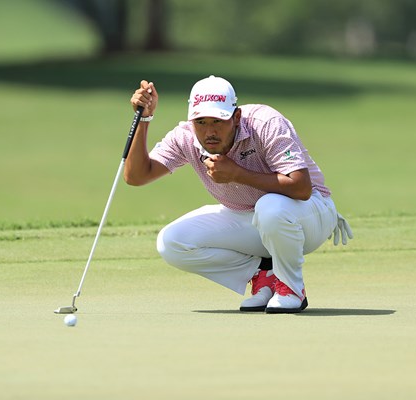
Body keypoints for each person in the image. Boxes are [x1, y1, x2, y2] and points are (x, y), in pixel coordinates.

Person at [125, 75, 353, 313]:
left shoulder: (265, 123)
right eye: (200, 122)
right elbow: (137, 176)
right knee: (171, 242)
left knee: (270, 207)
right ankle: (264, 272)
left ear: (236, 117)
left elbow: (301, 188)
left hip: (309, 214)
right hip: (252, 218)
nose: (209, 131)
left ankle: (291, 287)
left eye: (218, 121)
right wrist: (144, 119)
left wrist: (237, 174)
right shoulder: (185, 137)